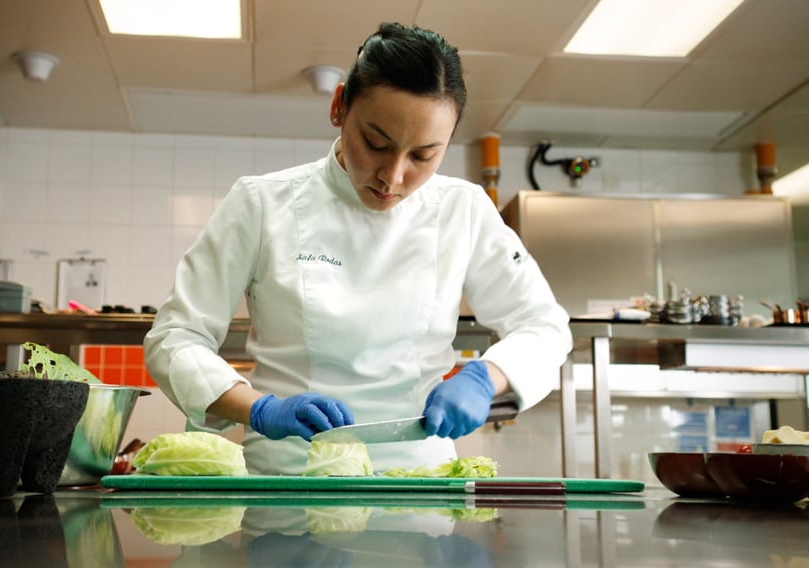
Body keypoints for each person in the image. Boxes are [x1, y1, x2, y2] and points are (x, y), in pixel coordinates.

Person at [144, 22, 572, 475]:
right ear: (338, 106)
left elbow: (543, 327)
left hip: (418, 484)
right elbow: (175, 338)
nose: (393, 176)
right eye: (376, 144)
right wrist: (259, 409)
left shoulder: (463, 209)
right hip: (291, 480)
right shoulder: (262, 203)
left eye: (424, 156)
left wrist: (487, 377)